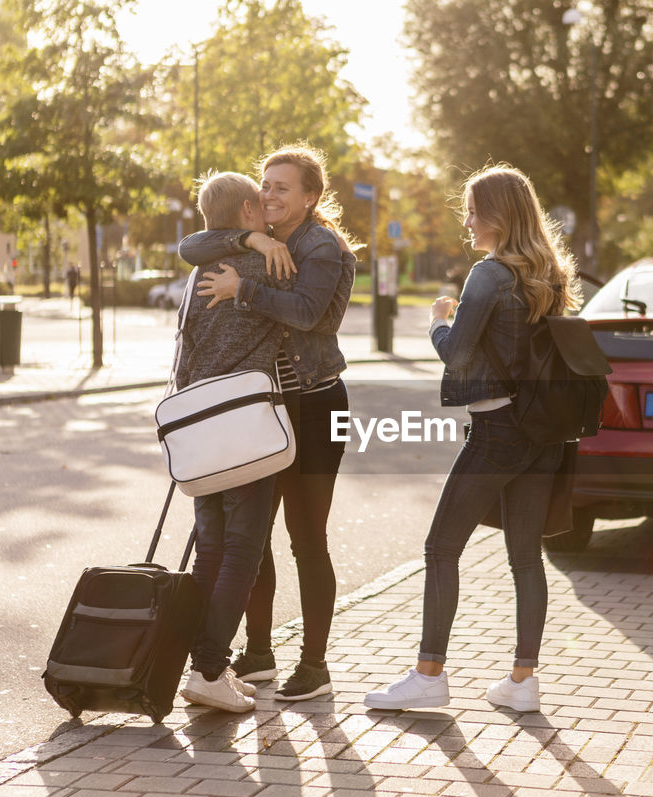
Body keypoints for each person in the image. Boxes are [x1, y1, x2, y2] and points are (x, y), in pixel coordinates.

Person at [364, 165, 577, 714]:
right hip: (543, 436)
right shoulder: (548, 272)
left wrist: (439, 320)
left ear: (498, 215)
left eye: (473, 210)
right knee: (526, 560)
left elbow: (457, 353)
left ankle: (428, 674)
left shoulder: (488, 274)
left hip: (498, 432)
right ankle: (522, 682)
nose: (466, 220)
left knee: (441, 548)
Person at [180, 145, 358, 702]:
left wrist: (245, 288)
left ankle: (316, 665)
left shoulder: (320, 246)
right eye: (265, 185)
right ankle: (257, 655)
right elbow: (191, 244)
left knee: (308, 540)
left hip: (316, 404)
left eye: (283, 187)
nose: (269, 194)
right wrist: (251, 239)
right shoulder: (260, 238)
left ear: (311, 196)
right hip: (267, 409)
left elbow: (306, 312)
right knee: (254, 541)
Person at [174, 170, 290, 713]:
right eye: (260, 202)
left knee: (212, 549)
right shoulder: (267, 263)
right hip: (245, 429)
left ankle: (204, 667)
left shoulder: (199, 271)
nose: (269, 205)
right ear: (247, 211)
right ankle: (211, 666)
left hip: (200, 426)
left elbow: (192, 242)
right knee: (243, 548)